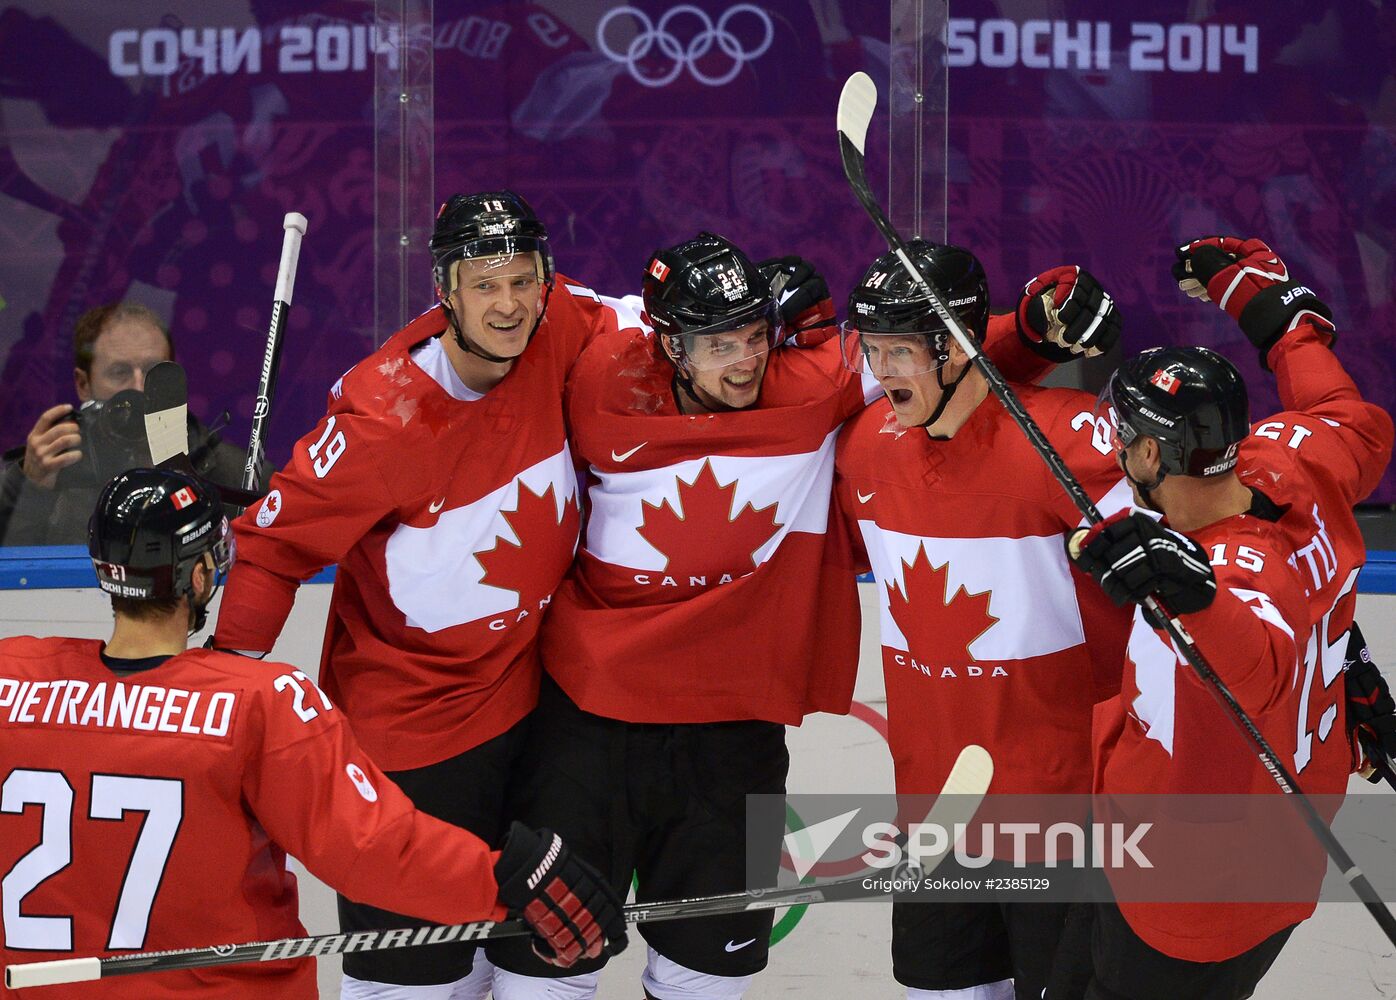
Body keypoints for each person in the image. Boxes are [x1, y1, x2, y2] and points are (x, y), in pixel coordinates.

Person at [490, 231, 1115, 999]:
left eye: (755, 335)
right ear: (671, 346)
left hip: (734, 737)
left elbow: (931, 361)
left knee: (705, 977)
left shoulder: (814, 386)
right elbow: (499, 321)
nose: (745, 359)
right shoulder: (596, 377)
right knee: (549, 972)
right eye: (718, 344)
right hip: (589, 723)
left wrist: (1028, 332)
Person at [0, 467, 626, 999]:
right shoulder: (256, 701)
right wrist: (504, 880)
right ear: (197, 578)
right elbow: (376, 852)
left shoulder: (12, 681)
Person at [209, 190, 620, 999]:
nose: (508, 305)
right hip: (409, 745)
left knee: (541, 959)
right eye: (484, 285)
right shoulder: (379, 417)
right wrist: (224, 686)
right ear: (445, 291)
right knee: (415, 980)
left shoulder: (564, 319)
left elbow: (668, 334)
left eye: (522, 280)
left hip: (533, 710)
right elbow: (267, 548)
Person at [1056, 236, 1395, 1000]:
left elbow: (1262, 662)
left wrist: (1197, 596)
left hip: (1192, 887)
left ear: (1148, 454)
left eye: (1121, 436)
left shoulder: (1229, 577)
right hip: (1271, 855)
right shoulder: (1291, 459)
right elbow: (1350, 416)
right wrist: (1268, 308)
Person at [832, 240, 1131, 1000]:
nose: (884, 370)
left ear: (958, 347)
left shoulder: (1067, 440)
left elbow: (1204, 546)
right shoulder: (867, 448)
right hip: (933, 808)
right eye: (874, 349)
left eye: (901, 350)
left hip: (1057, 809)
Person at [0, 302, 258, 546]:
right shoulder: (47, 468)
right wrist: (29, 489)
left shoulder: (234, 473)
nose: (138, 387)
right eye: (120, 372)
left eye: (152, 370)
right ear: (82, 384)